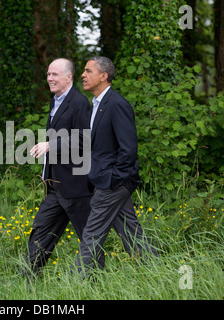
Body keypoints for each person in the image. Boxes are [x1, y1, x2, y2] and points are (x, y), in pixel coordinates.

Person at [74, 56, 158, 278]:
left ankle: (75, 284)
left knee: (91, 233)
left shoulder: (117, 104)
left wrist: (113, 179)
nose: (83, 75)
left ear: (103, 76)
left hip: (113, 183)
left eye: (88, 71)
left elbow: (128, 149)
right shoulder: (97, 105)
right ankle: (156, 272)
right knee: (131, 233)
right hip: (107, 180)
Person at [21, 58, 92, 278]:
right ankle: (26, 280)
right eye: (48, 74)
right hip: (55, 186)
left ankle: (95, 283)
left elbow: (84, 140)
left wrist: (51, 145)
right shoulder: (55, 101)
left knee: (89, 239)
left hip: (77, 186)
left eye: (55, 75)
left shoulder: (80, 103)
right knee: (41, 231)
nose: (50, 78)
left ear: (69, 77)